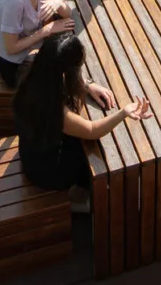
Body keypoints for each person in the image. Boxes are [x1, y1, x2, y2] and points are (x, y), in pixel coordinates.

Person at [13, 30, 151, 210]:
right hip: (46, 170)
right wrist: (123, 113)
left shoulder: (32, 68)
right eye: (77, 69)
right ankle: (84, 201)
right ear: (65, 74)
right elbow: (92, 130)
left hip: (30, 150)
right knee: (96, 154)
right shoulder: (56, 109)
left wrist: (87, 85)